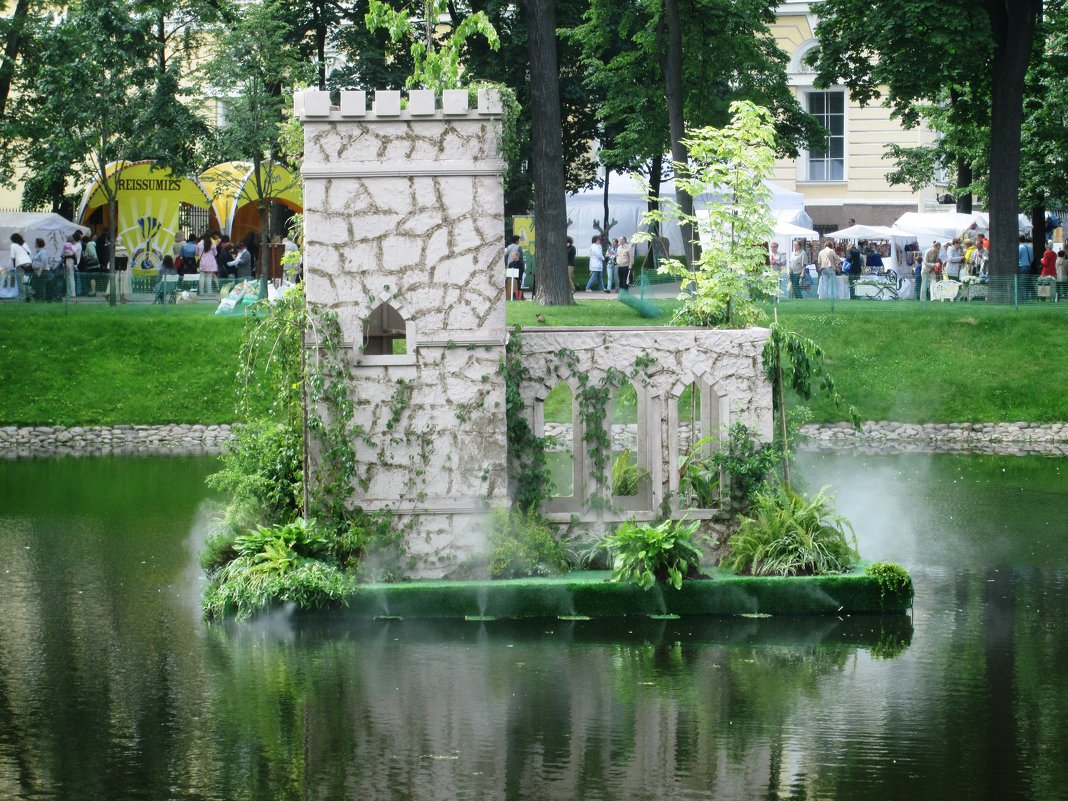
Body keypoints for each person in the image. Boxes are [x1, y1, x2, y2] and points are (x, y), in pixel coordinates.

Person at [10, 233, 33, 301]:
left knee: (21, 281)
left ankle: (22, 297)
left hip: (20, 264)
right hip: (28, 263)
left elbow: (12, 256)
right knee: (27, 281)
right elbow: (29, 253)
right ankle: (29, 296)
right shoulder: (24, 244)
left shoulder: (13, 245)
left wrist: (14, 265)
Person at [504, 235, 524, 299]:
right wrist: (522, 266)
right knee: (517, 283)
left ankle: (510, 295)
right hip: (517, 267)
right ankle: (517, 296)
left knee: (510, 282)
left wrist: (506, 264)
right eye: (518, 240)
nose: (519, 241)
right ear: (516, 240)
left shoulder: (508, 247)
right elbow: (521, 258)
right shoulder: (518, 247)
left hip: (510, 266)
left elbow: (505, 256)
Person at [1018, 236, 1035, 301]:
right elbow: (1032, 258)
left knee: (1022, 284)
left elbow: (1017, 257)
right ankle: (1026, 297)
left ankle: (1023, 299)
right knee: (1026, 283)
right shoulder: (1030, 247)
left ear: (1019, 240)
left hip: (1022, 266)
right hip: (1028, 266)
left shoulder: (1020, 247)